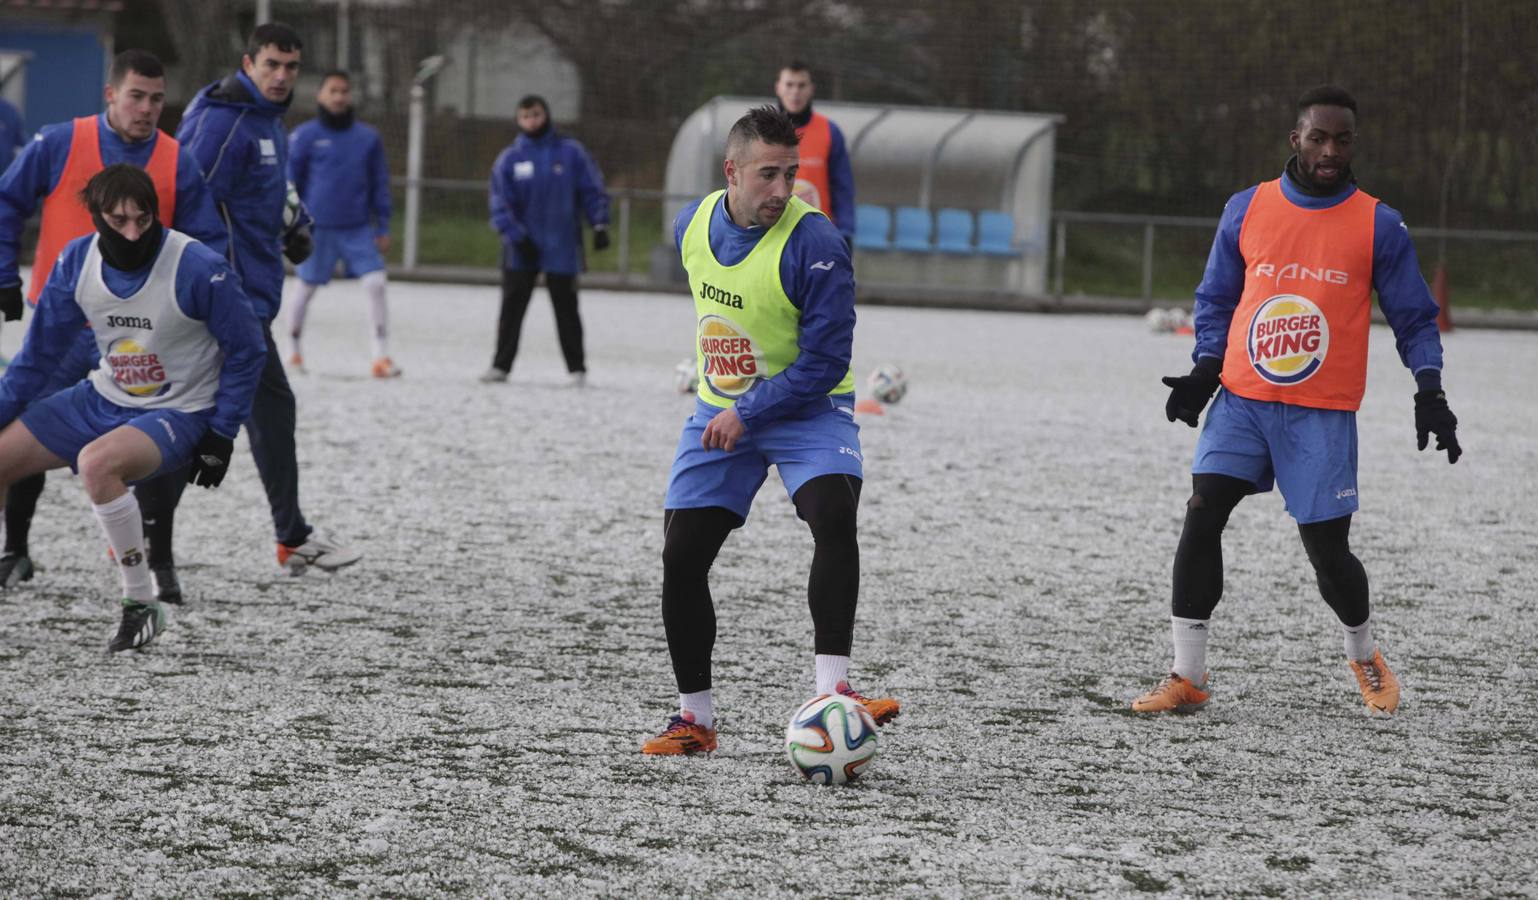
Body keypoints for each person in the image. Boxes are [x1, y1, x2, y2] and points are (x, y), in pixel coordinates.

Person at [1133, 86, 1460, 717]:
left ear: (1353, 144)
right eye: (1318, 137)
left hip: (1322, 411)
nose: (1329, 151)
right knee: (1203, 511)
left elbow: (1417, 319)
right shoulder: (1247, 207)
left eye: (1341, 140)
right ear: (1296, 139)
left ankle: (1365, 654)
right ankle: (1187, 676)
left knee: (1328, 555)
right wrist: (1206, 366)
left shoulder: (1378, 224)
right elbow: (1217, 299)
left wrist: (1430, 392)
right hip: (1244, 401)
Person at [641, 106, 897, 756]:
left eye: (791, 174)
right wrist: (726, 392)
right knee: (681, 557)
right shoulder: (690, 225)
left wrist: (749, 410)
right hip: (720, 408)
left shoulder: (818, 245)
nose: (781, 190)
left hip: (807, 407)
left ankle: (834, 692)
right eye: (766, 175)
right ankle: (694, 721)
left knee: (833, 514)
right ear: (732, 171)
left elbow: (826, 363)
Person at [0, 165, 265, 650]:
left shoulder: (197, 266)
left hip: (181, 411)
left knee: (97, 463)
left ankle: (141, 604)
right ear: (96, 217)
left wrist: (223, 432)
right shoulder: (76, 261)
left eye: (143, 219)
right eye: (118, 220)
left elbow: (249, 350)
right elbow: (38, 356)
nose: (132, 232)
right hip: (103, 396)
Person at [0, 49, 228, 601]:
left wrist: (204, 307)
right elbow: (7, 201)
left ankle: (159, 560)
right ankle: (17, 549)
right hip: (64, 327)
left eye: (156, 99)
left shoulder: (178, 159)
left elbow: (208, 242)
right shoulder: (59, 141)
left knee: (153, 436)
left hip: (143, 331)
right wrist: (6, 271)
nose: (147, 109)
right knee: (30, 424)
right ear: (111, 94)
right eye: (136, 96)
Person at [178, 23, 363, 574]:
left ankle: (136, 526)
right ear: (248, 63)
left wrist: (294, 224)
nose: (282, 76)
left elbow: (271, 186)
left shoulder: (265, 119)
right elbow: (187, 201)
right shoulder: (222, 123)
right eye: (272, 65)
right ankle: (291, 536)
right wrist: (208, 287)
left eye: (291, 67)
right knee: (263, 410)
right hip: (226, 296)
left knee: (208, 412)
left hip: (252, 289)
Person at [480, 95, 610, 386]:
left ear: (546, 115)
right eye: (525, 116)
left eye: (536, 115)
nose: (531, 121)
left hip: (561, 246)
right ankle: (501, 365)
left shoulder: (570, 153)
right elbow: (499, 203)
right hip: (521, 249)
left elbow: (592, 189)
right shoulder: (510, 159)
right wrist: (515, 236)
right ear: (518, 120)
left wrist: (599, 224)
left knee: (567, 309)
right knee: (511, 309)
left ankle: (577, 368)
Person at [286, 69, 399, 379]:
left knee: (376, 283)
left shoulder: (368, 138)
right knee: (305, 288)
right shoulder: (304, 136)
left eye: (344, 91)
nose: (339, 97)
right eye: (332, 91)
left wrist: (383, 225)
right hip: (317, 229)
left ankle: (381, 355)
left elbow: (379, 183)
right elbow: (290, 183)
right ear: (321, 96)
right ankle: (293, 350)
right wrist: (292, 225)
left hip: (357, 228)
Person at [774, 62, 855, 247]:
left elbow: (843, 187)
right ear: (778, 87)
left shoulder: (829, 131)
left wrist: (845, 231)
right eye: (789, 84)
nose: (795, 92)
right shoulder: (760, 130)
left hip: (817, 235)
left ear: (811, 89)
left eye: (801, 85)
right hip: (771, 232)